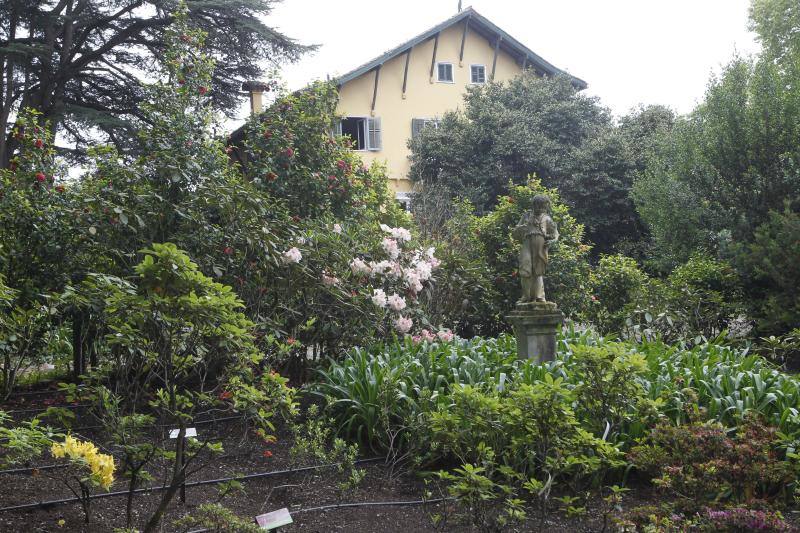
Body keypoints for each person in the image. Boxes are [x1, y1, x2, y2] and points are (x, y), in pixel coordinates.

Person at [512, 194, 559, 302]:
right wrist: (520, 228)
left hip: (541, 244)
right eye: (538, 205)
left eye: (543, 206)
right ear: (534, 205)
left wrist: (552, 241)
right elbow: (515, 231)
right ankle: (526, 296)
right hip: (527, 242)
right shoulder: (526, 216)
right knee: (525, 267)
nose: (540, 208)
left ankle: (539, 296)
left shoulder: (547, 218)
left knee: (538, 270)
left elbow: (555, 234)